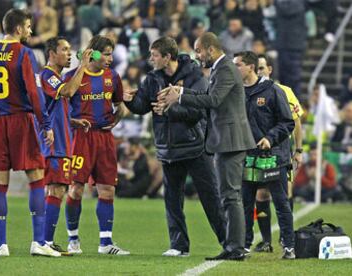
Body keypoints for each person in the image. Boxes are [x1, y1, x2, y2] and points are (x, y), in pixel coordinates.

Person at [157, 32, 256, 261]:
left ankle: (236, 248)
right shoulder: (220, 69)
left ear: (210, 49)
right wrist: (181, 91)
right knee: (228, 195)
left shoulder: (226, 69)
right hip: (224, 139)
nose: (197, 56)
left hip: (231, 141)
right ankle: (233, 246)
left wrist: (180, 98)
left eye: (199, 51)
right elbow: (208, 95)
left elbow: (213, 100)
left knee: (231, 196)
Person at [124, 36, 226, 257]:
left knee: (210, 198)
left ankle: (230, 243)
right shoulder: (152, 79)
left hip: (195, 146)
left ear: (167, 57)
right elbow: (143, 106)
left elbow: (198, 111)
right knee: (172, 200)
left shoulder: (194, 76)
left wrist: (170, 109)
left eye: (154, 56)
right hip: (168, 149)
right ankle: (179, 246)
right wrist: (129, 100)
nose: (151, 60)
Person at [0, 8, 59, 257]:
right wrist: (45, 124)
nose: (31, 31)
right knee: (36, 176)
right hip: (21, 120)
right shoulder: (24, 53)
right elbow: (34, 92)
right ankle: (39, 242)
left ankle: (1, 245)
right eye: (29, 27)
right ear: (19, 29)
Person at [65, 35, 129, 255]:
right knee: (75, 189)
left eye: (112, 53)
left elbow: (120, 106)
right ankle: (73, 240)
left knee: (108, 189)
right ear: (94, 53)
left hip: (104, 139)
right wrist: (72, 122)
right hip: (81, 138)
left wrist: (116, 121)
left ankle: (106, 243)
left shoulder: (113, 77)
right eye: (107, 53)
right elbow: (61, 109)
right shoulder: (73, 77)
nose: (111, 58)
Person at [233, 51, 295, 259]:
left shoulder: (272, 90)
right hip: (247, 155)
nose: (235, 69)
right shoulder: (236, 92)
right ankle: (245, 244)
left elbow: (288, 122)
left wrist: (270, 137)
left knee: (280, 202)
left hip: (273, 155)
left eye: (238, 65)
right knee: (245, 203)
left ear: (250, 67)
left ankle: (289, 246)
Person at [39, 37, 92, 254]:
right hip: (54, 145)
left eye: (70, 50)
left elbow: (53, 111)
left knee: (55, 190)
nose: (69, 53)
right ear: (52, 53)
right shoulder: (47, 76)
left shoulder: (57, 78)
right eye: (64, 49)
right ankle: (46, 243)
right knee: (56, 189)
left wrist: (73, 121)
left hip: (63, 142)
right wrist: (83, 67)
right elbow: (69, 92)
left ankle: (44, 241)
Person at [253, 54, 304, 252]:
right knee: (261, 194)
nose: (260, 72)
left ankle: (286, 238)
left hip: (281, 151)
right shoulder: (249, 91)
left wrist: (298, 150)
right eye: (256, 68)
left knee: (284, 193)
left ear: (270, 70)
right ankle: (266, 241)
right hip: (258, 151)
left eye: (262, 68)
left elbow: (296, 122)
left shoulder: (284, 91)